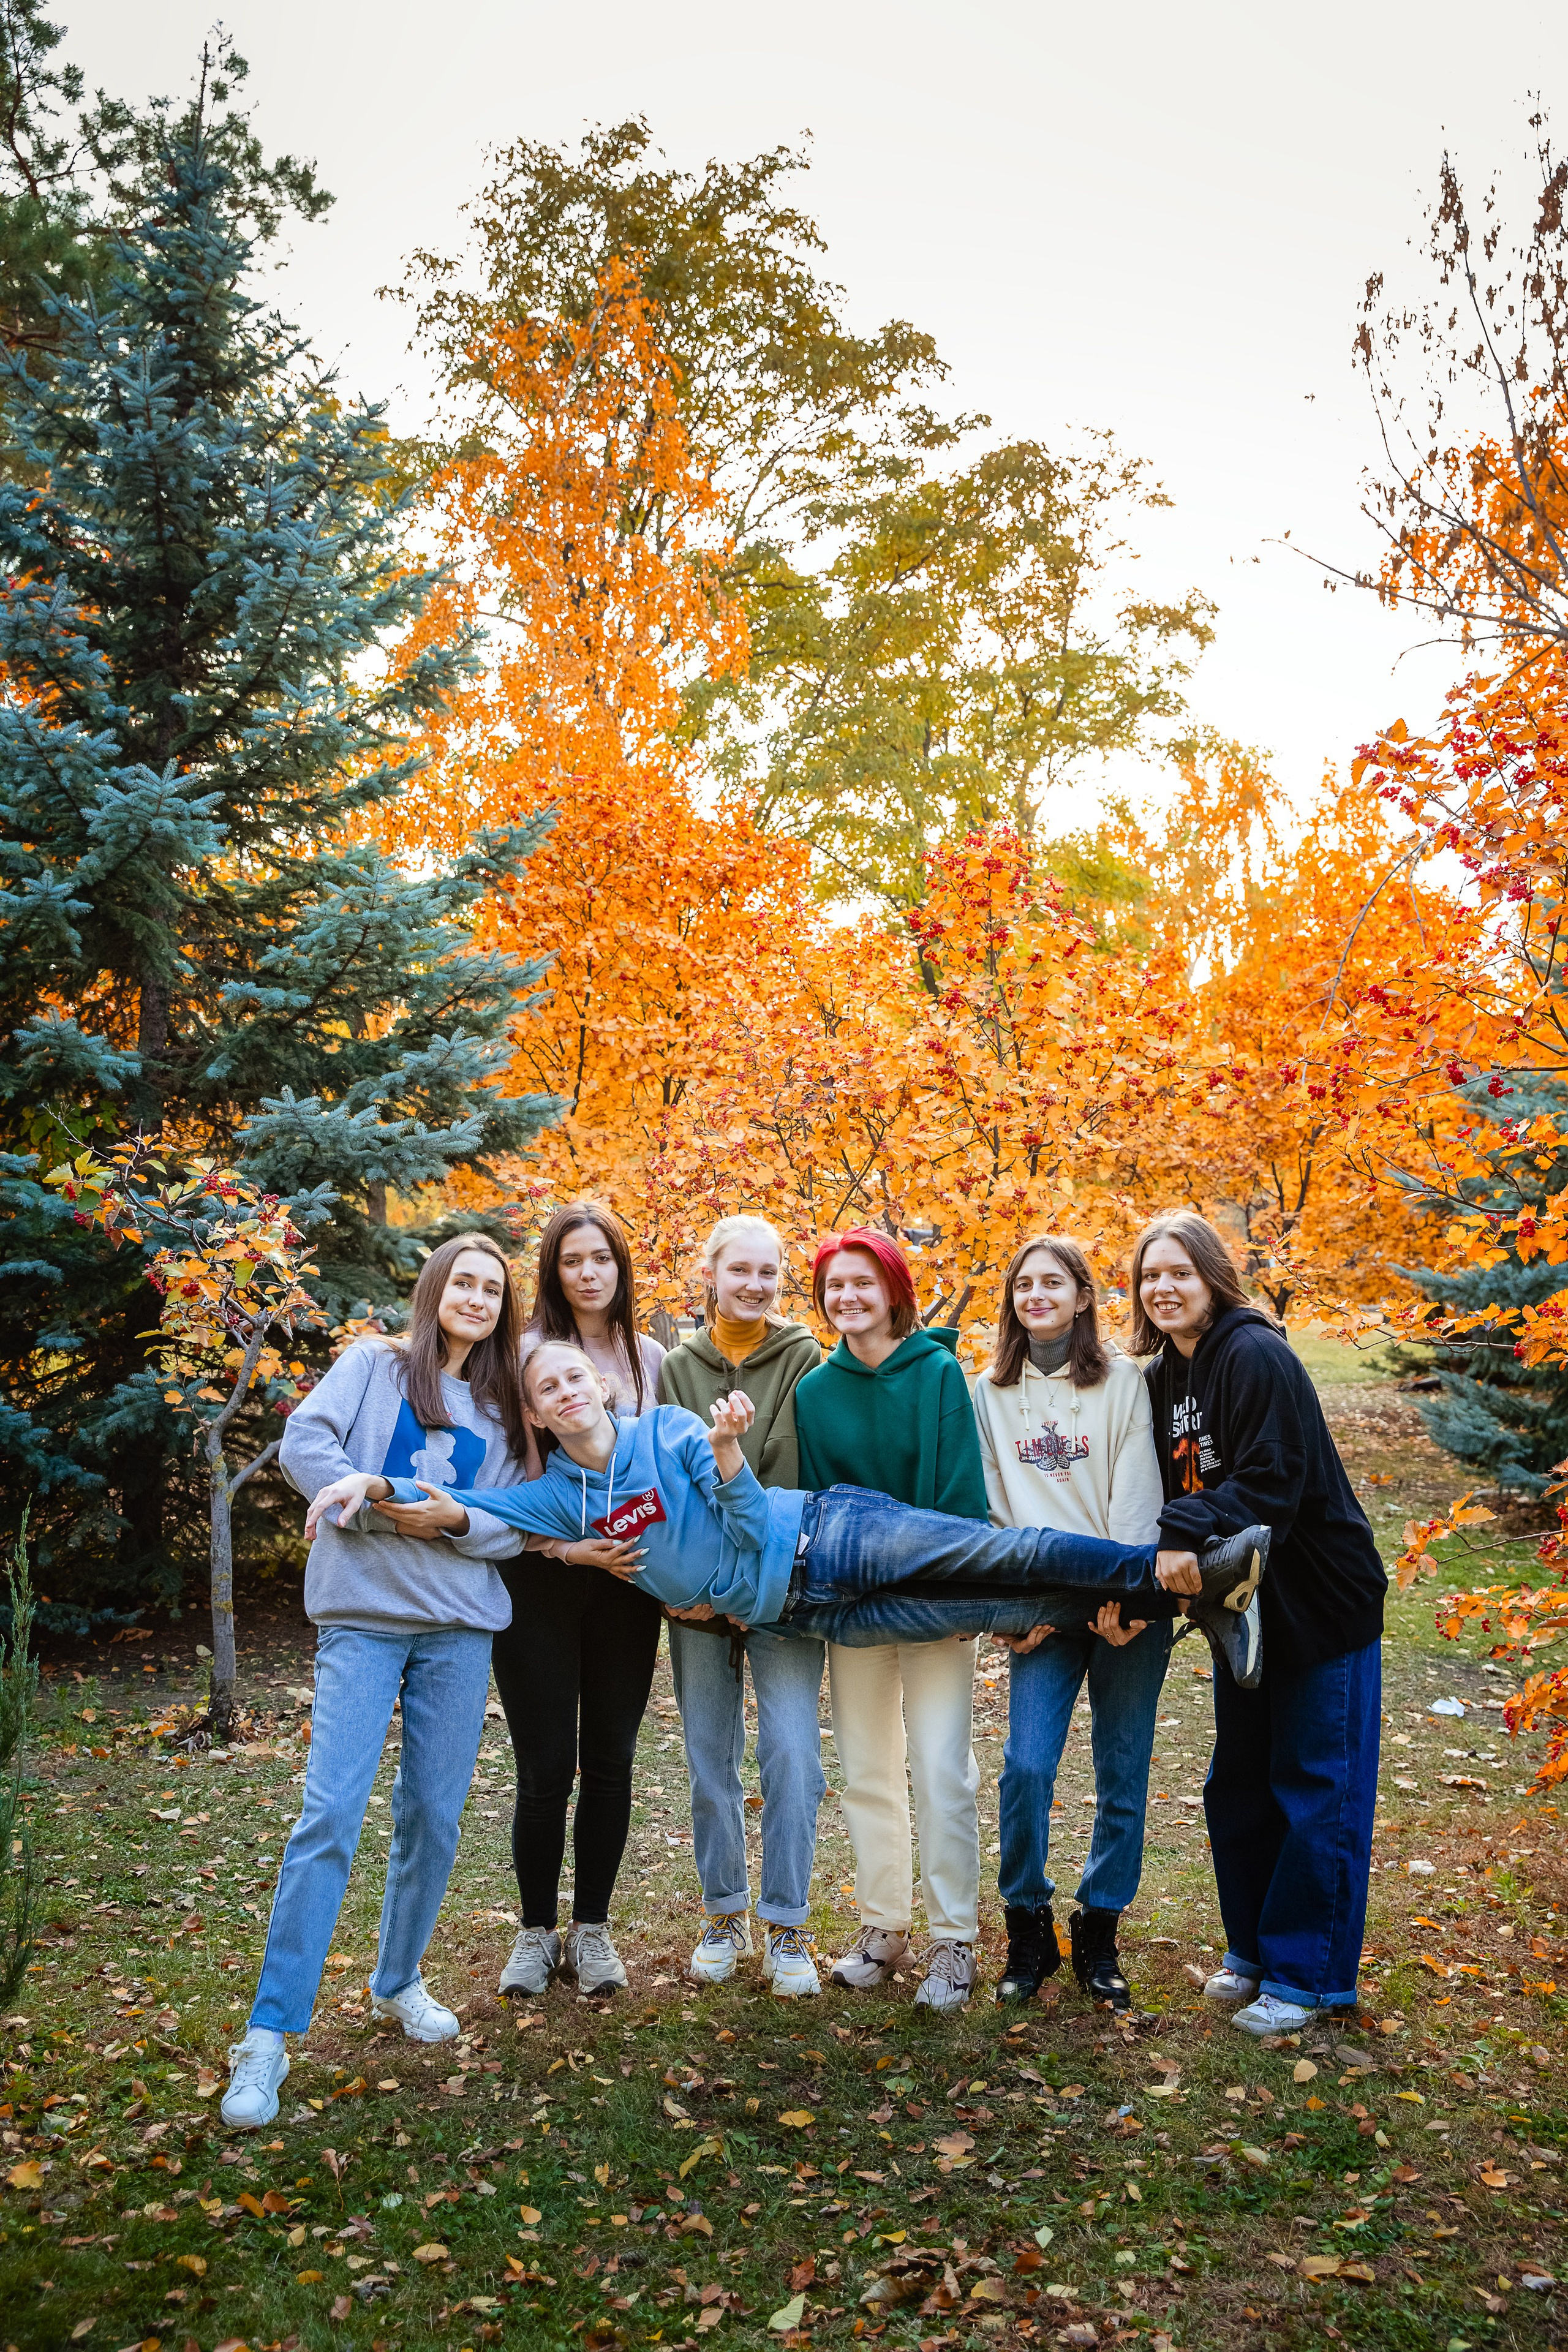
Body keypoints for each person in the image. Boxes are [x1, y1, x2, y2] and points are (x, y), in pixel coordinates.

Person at [221, 1235, 530, 2130]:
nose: (475, 1297)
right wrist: (390, 1500)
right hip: (361, 1621)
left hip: (461, 1629)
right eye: (462, 1282)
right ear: (435, 1290)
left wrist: (442, 1514)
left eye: (491, 1289)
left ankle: (397, 1980)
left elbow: (506, 1528)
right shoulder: (372, 1364)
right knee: (330, 1816)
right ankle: (269, 2034)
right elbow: (305, 1444)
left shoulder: (504, 1407)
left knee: (433, 1817)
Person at [1133, 1211, 1387, 2038]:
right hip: (1241, 1610)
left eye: (1179, 1272)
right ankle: (1252, 1949)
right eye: (1149, 1276)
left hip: (1319, 1601)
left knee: (1317, 1785)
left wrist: (1178, 1526)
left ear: (1212, 1276)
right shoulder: (1168, 1373)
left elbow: (1273, 1487)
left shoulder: (1255, 1353)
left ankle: (1309, 1977)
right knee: (1239, 1783)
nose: (1163, 1288)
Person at [793, 1229, 990, 2014]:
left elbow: (958, 1500)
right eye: (834, 1286)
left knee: (943, 1767)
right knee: (868, 1770)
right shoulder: (815, 1392)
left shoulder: (938, 1375)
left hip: (935, 1600)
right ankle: (884, 1924)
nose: (847, 1297)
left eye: (862, 1284)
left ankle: (953, 1938)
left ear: (893, 1291)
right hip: (853, 1611)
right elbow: (818, 1507)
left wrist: (954, 1599)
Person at [973, 1236, 1169, 2016]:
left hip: (1126, 1601)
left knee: (1122, 1771)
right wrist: (1010, 1611)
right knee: (1025, 1766)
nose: (1037, 1295)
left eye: (1053, 1283)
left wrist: (1132, 1602)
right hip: (1044, 1611)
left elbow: (1136, 1489)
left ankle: (1099, 1931)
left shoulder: (1124, 1382)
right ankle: (1027, 1926)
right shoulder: (987, 1391)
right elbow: (988, 1506)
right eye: (1024, 1285)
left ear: (1084, 1296)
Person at [489, 1200, 666, 2000]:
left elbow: (666, 1471)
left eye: (603, 1258)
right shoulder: (520, 1357)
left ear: (621, 1268)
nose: (590, 1273)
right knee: (544, 1765)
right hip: (541, 1581)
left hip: (627, 1585)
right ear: (553, 1273)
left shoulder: (651, 1357)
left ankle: (591, 1929)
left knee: (611, 1761)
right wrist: (564, 1548)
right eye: (573, 1261)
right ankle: (534, 1932)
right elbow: (499, 1495)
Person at [657, 1215, 824, 1996]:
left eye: (769, 1272)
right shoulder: (676, 1369)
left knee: (792, 1753)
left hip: (778, 1584)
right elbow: (665, 1485)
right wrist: (694, 1588)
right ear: (711, 1274)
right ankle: (724, 1910)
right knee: (707, 1758)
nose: (754, 1285)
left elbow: (787, 1473)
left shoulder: (802, 1360)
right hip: (695, 1596)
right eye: (740, 1271)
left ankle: (786, 1923)